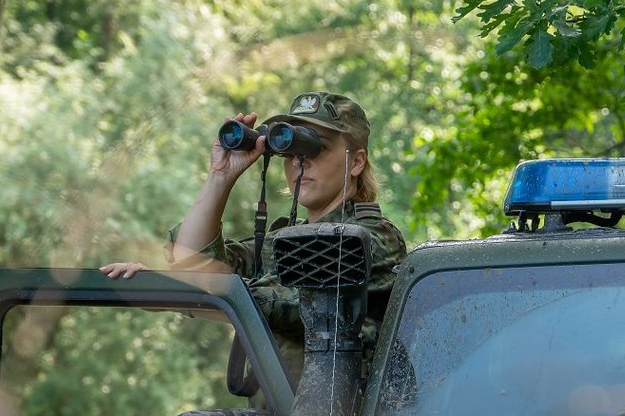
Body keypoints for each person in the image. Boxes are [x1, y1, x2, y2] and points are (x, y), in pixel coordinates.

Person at [101, 91, 407, 378]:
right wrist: (221, 176)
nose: (301, 160)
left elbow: (293, 302)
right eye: (293, 149)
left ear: (356, 162)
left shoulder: (372, 238)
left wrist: (171, 289)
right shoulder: (283, 241)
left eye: (318, 147)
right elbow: (191, 261)